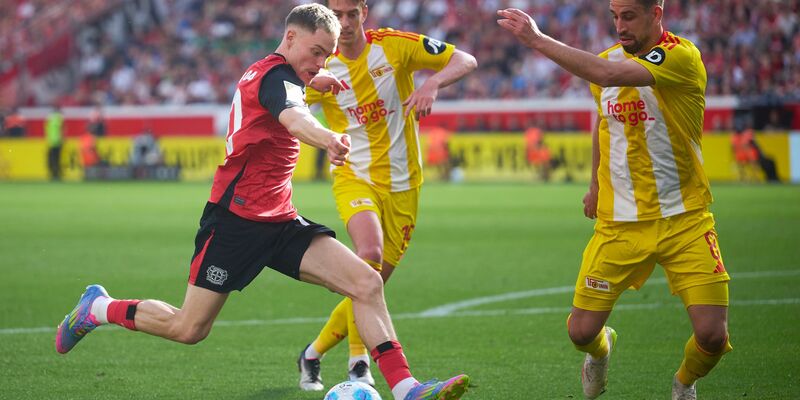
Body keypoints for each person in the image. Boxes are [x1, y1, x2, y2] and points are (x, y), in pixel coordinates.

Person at [55, 5, 469, 400]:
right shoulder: (275, 79)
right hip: (234, 222)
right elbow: (294, 117)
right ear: (290, 37)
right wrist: (328, 138)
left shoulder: (284, 74)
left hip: (279, 220)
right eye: (316, 52)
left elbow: (293, 91)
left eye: (327, 55)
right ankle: (100, 308)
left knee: (366, 282)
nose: (321, 62)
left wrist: (314, 78)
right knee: (189, 328)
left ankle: (406, 389)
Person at [499, 2, 731, 400]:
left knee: (712, 336)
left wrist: (536, 40)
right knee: (581, 332)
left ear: (656, 13)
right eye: (615, 16)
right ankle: (601, 351)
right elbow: (603, 122)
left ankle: (684, 382)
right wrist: (594, 184)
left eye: (629, 16)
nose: (620, 26)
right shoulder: (605, 62)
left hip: (685, 219)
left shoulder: (680, 56)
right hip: (619, 222)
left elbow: (609, 75)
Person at [297, 0, 477, 391]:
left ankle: (312, 352)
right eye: (336, 15)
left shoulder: (394, 46)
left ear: (364, 11)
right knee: (369, 256)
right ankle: (360, 362)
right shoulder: (320, 66)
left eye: (351, 13)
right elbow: (289, 107)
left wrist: (432, 82)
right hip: (355, 177)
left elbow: (465, 59)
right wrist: (321, 136)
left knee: (370, 283)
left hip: (405, 185)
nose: (344, 23)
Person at [45, 105, 64, 180]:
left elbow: (47, 129)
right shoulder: (59, 118)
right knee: (57, 158)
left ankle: (53, 173)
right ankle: (57, 174)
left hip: (51, 141)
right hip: (58, 141)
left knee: (51, 158)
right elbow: (62, 129)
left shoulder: (49, 118)